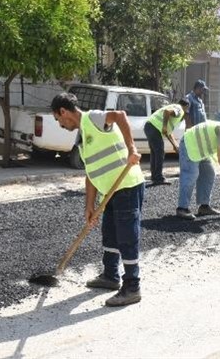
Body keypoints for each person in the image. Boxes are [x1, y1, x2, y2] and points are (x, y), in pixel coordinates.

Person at [51, 92, 145, 307]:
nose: (60, 124)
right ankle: (110, 276)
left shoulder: (93, 118)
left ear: (63, 112)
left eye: (58, 119)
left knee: (127, 237)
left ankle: (132, 287)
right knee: (110, 234)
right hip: (109, 191)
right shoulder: (81, 137)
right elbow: (91, 174)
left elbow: (120, 115)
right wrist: (89, 206)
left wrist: (132, 148)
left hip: (127, 185)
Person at [143, 98, 190, 186]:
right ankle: (158, 178)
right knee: (160, 152)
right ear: (186, 107)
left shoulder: (174, 107)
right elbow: (167, 111)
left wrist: (175, 145)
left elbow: (168, 133)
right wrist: (164, 126)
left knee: (155, 153)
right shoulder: (179, 109)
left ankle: (155, 177)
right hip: (154, 128)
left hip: (149, 126)